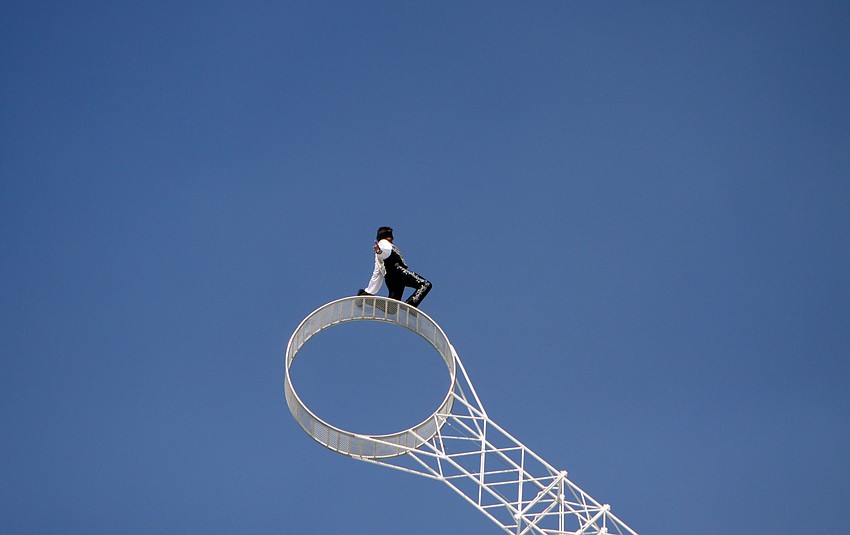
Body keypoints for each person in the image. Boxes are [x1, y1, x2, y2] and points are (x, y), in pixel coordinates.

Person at [357, 226, 432, 308]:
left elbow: (377, 272)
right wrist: (380, 252)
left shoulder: (381, 250)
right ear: (386, 237)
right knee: (425, 285)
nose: (392, 240)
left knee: (392, 307)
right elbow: (386, 252)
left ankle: (368, 301)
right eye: (390, 238)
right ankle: (410, 306)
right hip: (398, 271)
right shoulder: (384, 243)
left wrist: (369, 291)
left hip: (390, 278)